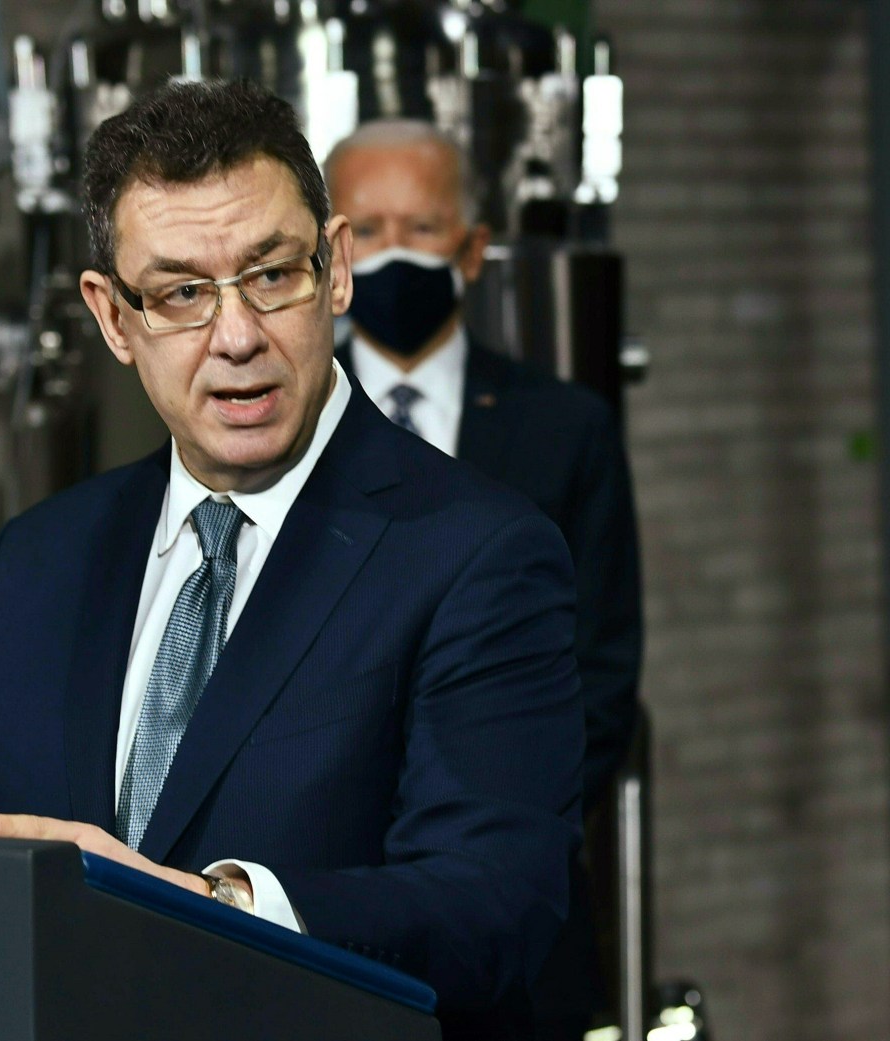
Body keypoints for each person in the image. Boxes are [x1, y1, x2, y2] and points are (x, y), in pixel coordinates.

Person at [0, 79, 583, 1039]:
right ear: (112, 318)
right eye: (181, 293)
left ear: (335, 269)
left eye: (271, 275)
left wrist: (218, 906)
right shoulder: (36, 563)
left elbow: (493, 907)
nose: (237, 337)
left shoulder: (477, 554)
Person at [325, 119, 644, 1041]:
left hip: (517, 924)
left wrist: (488, 818)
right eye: (368, 229)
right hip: (323, 919)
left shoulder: (566, 427)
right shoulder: (273, 426)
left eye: (421, 228)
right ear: (331, 255)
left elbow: (602, 673)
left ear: (472, 249)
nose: (395, 254)